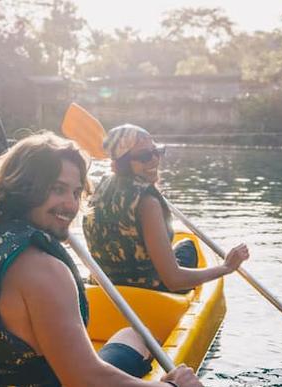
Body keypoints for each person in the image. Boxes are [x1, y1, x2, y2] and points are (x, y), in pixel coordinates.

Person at [0, 131, 203, 387]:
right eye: (57, 189)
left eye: (76, 192)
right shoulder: (45, 270)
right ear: (25, 188)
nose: (71, 204)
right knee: (133, 335)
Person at [82, 124, 249, 293]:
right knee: (188, 247)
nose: (155, 159)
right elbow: (173, 280)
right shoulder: (148, 202)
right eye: (145, 156)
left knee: (182, 246)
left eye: (157, 151)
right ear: (124, 162)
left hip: (105, 288)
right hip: (150, 292)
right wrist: (226, 268)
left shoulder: (102, 185)